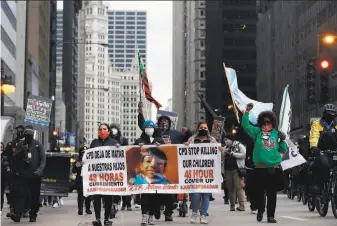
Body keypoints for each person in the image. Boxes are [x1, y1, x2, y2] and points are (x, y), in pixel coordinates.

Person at [241, 103, 287, 223]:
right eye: (264, 123)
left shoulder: (276, 134)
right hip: (260, 168)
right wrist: (247, 112)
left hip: (273, 168)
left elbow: (283, 149)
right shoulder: (256, 133)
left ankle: (271, 215)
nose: (266, 125)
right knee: (259, 193)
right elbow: (245, 125)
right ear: (260, 124)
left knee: (272, 194)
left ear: (272, 124)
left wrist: (283, 140)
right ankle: (260, 210)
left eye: (269, 123)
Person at [5, 125, 46, 223]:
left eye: (30, 133)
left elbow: (43, 158)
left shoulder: (38, 144)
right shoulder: (21, 144)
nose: (28, 135)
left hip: (35, 176)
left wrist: (39, 170)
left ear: (33, 133)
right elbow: (14, 157)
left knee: (34, 196)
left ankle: (33, 215)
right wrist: (21, 150)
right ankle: (18, 214)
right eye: (26, 133)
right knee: (21, 195)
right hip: (23, 175)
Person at [134, 120, 165, 226]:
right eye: (147, 127)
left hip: (156, 173)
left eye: (151, 127)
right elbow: (133, 153)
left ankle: (151, 216)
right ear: (143, 129)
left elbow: (166, 152)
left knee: (155, 197)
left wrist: (160, 146)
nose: (149, 129)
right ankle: (144, 216)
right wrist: (138, 146)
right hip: (144, 172)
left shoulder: (159, 139)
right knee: (145, 196)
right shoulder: (139, 140)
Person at [187, 121, 218, 224]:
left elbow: (216, 154)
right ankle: (194, 213)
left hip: (208, 172)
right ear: (198, 129)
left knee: (206, 195)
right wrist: (185, 146)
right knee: (195, 195)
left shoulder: (212, 140)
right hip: (194, 171)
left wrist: (220, 150)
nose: (203, 129)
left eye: (205, 127)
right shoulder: (192, 140)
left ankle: (203, 215)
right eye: (201, 127)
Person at [90, 123, 119, 226]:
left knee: (108, 198)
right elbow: (89, 157)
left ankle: (106, 219)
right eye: (100, 129)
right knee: (97, 198)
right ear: (98, 131)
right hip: (97, 175)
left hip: (109, 176)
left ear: (109, 131)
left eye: (104, 129)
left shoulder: (114, 142)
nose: (102, 131)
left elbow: (119, 158)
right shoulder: (94, 143)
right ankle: (98, 219)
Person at [309, 103, 337, 192]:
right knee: (323, 165)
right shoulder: (317, 124)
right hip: (322, 151)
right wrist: (314, 147)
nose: (330, 115)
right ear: (324, 113)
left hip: (335, 151)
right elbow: (314, 135)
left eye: (333, 113)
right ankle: (320, 184)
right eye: (328, 113)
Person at [110, 123, 131, 211]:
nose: (113, 130)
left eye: (115, 128)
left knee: (126, 185)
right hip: (112, 167)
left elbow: (127, 151)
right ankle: (115, 202)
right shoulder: (108, 140)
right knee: (115, 186)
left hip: (123, 166)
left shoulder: (123, 140)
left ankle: (127, 203)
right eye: (112, 128)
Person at [223, 133, 246, 211]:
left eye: (226, 139)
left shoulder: (239, 146)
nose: (225, 141)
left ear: (231, 139)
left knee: (239, 187)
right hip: (227, 170)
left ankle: (242, 205)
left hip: (237, 170)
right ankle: (232, 205)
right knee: (230, 188)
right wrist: (223, 152)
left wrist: (232, 154)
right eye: (225, 140)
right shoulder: (225, 147)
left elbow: (243, 155)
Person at [72, 146, 92, 215]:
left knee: (88, 195)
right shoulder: (78, 160)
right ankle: (80, 209)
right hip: (80, 180)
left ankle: (87, 209)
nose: (84, 154)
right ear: (80, 153)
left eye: (85, 152)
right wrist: (77, 166)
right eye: (83, 152)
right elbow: (73, 171)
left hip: (88, 179)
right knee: (80, 195)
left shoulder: (90, 159)